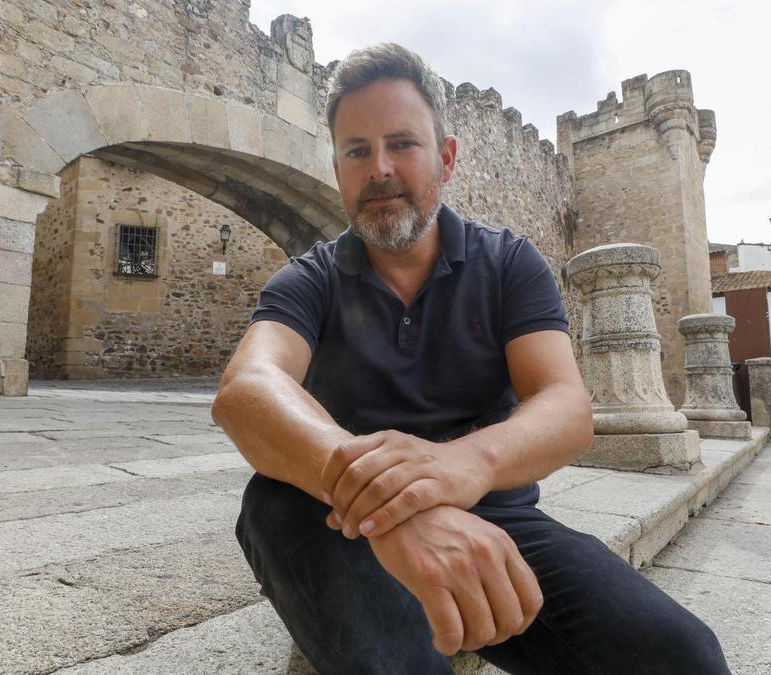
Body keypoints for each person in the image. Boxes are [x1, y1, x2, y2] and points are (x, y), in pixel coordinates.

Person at [211, 43, 729, 674]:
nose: (379, 168)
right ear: (339, 168)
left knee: (682, 657)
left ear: (446, 157)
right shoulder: (310, 279)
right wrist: (393, 507)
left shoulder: (509, 263)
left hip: (496, 522)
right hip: (337, 522)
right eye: (356, 150)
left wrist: (462, 464)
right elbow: (248, 387)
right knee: (276, 508)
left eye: (402, 143)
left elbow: (565, 406)